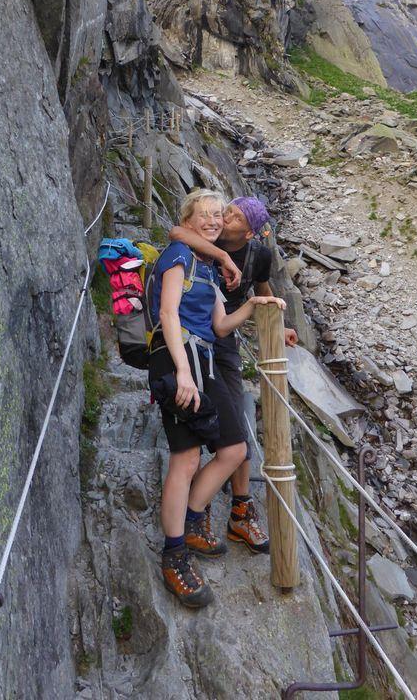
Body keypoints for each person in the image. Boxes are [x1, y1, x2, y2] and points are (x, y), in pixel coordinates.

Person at [148, 189, 286, 608]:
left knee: (234, 449)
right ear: (188, 220)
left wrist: (259, 305)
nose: (212, 219)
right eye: (204, 214)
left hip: (202, 359)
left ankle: (190, 521)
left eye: (217, 214)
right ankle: (175, 552)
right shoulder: (178, 255)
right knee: (187, 458)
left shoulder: (206, 269)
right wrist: (183, 372)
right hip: (178, 362)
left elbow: (222, 326)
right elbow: (169, 314)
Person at [170, 195, 297, 554]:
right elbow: (177, 233)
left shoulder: (259, 255)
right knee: (214, 425)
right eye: (228, 210)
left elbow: (261, 287)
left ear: (250, 231)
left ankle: (239, 509)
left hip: (223, 337)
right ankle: (206, 509)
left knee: (237, 424)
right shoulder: (209, 236)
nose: (225, 217)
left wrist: (279, 324)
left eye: (235, 216)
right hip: (196, 335)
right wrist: (224, 257)